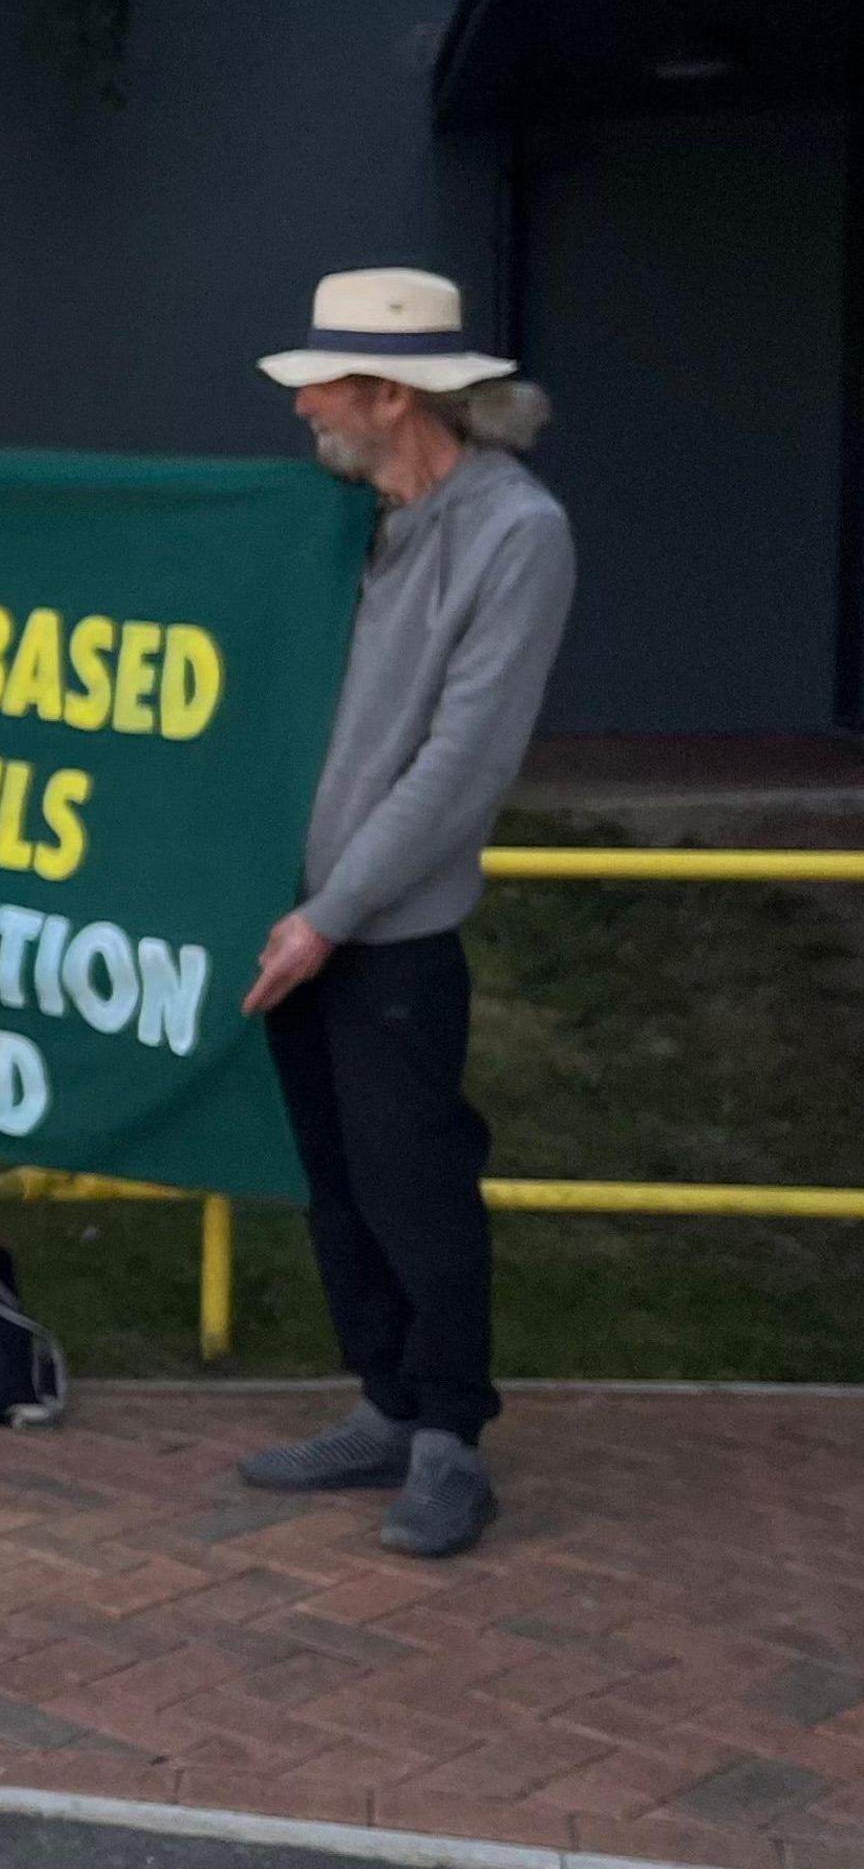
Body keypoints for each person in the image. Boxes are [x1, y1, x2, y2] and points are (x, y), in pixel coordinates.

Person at [236, 267, 573, 1560]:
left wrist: (334, 912)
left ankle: (447, 1438)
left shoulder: (516, 532)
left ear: (394, 394)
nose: (303, 404)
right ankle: (381, 1399)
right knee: (333, 1182)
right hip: (298, 920)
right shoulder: (348, 514)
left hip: (385, 932)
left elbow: (460, 764)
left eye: (323, 382)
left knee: (414, 1178)